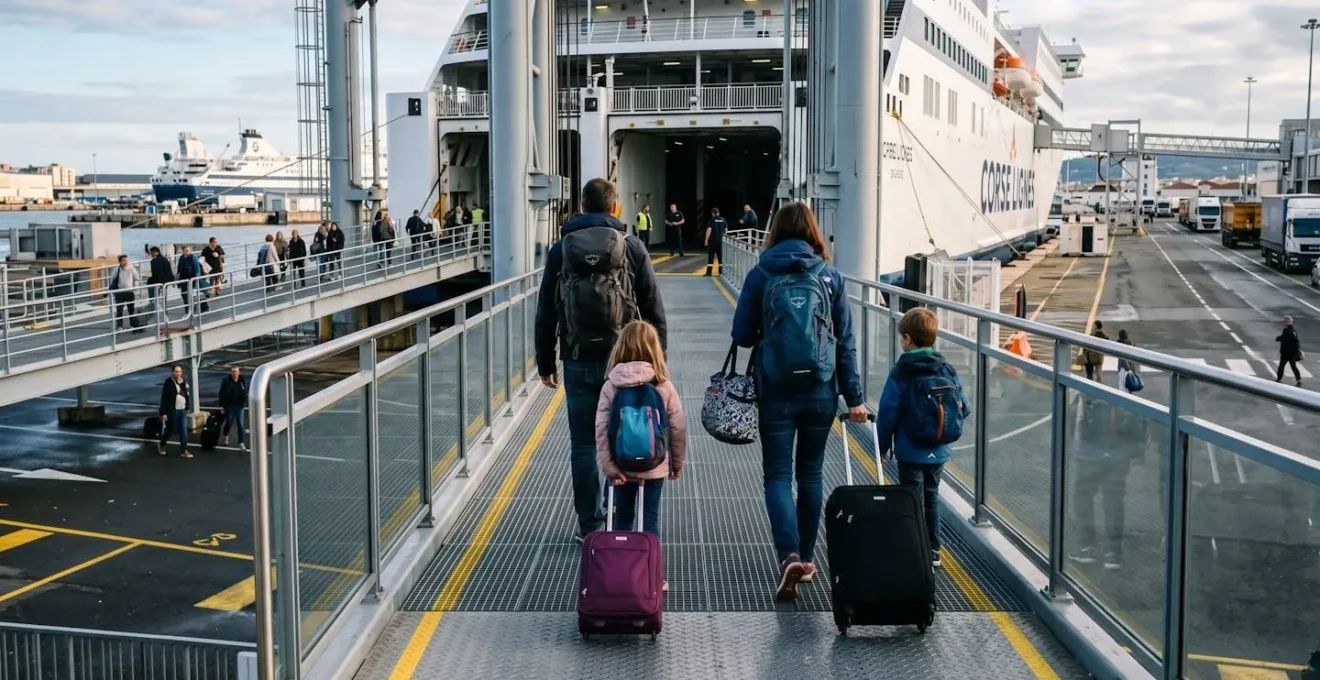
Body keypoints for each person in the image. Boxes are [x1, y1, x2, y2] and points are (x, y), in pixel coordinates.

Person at [730, 201, 865, 600]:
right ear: (813, 232)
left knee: (777, 476)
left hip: (774, 389)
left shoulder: (761, 273)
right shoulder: (830, 277)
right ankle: (806, 558)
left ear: (774, 231)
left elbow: (742, 335)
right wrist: (854, 397)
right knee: (810, 474)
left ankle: (787, 554)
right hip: (821, 392)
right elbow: (846, 345)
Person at [535, 178, 667, 543]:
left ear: (581, 206)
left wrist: (545, 362)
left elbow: (546, 309)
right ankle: (621, 521)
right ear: (615, 207)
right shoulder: (631, 247)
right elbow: (653, 308)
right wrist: (659, 362)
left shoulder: (561, 250)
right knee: (625, 432)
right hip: (623, 362)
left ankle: (590, 526)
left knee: (582, 444)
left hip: (576, 358)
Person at [594, 320, 687, 591]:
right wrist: (676, 464)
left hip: (620, 467)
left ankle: (617, 575)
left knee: (620, 519)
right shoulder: (663, 385)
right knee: (650, 520)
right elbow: (678, 427)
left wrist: (609, 467)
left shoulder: (611, 385)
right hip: (654, 466)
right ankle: (652, 577)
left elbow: (601, 429)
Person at [874, 307, 970, 569]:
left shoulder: (902, 372)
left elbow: (887, 413)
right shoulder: (947, 369)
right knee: (932, 496)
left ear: (907, 339)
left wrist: (882, 447)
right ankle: (934, 550)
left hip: (909, 449)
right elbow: (965, 407)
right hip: (938, 449)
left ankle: (912, 548)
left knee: (911, 497)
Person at [1067, 396, 1138, 570]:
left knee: (1083, 495)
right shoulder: (1125, 376)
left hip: (1088, 453)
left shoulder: (1090, 379)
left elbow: (1073, 419)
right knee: (1114, 501)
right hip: (1119, 454)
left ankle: (1087, 546)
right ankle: (1113, 553)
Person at [158, 364, 193, 458]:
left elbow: (186, 395)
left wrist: (187, 406)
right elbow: (164, 398)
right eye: (176, 371)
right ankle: (162, 444)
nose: (178, 373)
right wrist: (163, 412)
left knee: (183, 430)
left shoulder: (183, 382)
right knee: (170, 429)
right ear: (172, 372)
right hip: (173, 410)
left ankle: (184, 450)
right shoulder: (168, 382)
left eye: (179, 371)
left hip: (183, 410)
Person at [218, 366, 249, 451]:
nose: (235, 373)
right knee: (229, 422)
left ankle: (241, 443)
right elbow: (222, 393)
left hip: (239, 406)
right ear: (231, 373)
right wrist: (222, 406)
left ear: (239, 372)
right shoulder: (226, 381)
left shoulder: (241, 381)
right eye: (233, 372)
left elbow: (244, 392)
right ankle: (225, 434)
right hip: (230, 406)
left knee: (240, 424)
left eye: (236, 371)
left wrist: (245, 402)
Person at [109, 254, 141, 331]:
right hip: (120, 293)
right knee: (119, 310)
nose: (125, 262)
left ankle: (132, 325)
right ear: (120, 262)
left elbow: (137, 278)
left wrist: (135, 287)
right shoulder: (117, 269)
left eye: (126, 260)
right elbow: (112, 279)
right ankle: (120, 326)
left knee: (131, 310)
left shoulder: (131, 268)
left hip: (129, 292)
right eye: (123, 260)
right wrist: (114, 290)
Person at [1276, 315, 1304, 387]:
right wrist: (1279, 338)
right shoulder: (1288, 329)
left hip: (1288, 353)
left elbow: (1295, 342)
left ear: (1288, 322)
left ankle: (1279, 379)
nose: (1283, 322)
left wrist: (1298, 351)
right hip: (1288, 353)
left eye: (1285, 321)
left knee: (1282, 366)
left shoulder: (1290, 331)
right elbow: (1284, 337)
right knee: (1292, 366)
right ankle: (1298, 380)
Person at [175, 245, 202, 311]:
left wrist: (196, 278)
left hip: (191, 278)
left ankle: (193, 308)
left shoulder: (193, 257)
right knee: (184, 294)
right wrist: (176, 279)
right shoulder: (181, 258)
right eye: (186, 250)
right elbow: (179, 269)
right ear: (183, 251)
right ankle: (187, 309)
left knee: (190, 294)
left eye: (188, 250)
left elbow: (197, 268)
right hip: (183, 279)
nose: (187, 252)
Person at [146, 246, 173, 311]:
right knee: (163, 295)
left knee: (154, 293)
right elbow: (169, 271)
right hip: (166, 280)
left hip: (158, 281)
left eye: (152, 253)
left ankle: (153, 305)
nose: (151, 254)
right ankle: (164, 308)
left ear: (156, 252)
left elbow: (155, 273)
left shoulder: (154, 261)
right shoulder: (165, 259)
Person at [704, 207, 728, 277]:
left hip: (713, 241)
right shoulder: (723, 219)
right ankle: (720, 272)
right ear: (718, 212)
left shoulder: (712, 220)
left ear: (712, 213)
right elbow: (726, 230)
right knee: (720, 257)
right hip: (720, 240)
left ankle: (709, 273)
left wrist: (706, 240)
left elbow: (709, 230)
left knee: (711, 256)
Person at [1115, 329, 1139, 394]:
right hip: (1131, 366)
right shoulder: (1131, 343)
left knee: (1122, 385)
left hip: (1122, 366)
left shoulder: (1118, 343)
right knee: (1130, 383)